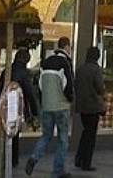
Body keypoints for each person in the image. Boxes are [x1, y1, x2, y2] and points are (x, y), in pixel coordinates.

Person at [25, 37, 75, 178]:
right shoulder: (65, 62)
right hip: (61, 105)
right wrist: (70, 99)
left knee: (46, 135)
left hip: (46, 106)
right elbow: (68, 84)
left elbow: (40, 86)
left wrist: (42, 102)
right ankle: (57, 171)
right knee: (62, 138)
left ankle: (34, 157)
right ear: (66, 47)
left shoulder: (45, 63)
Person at [0, 47, 39, 167]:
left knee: (6, 130)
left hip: (5, 105)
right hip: (17, 106)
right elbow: (29, 92)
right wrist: (35, 110)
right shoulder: (24, 73)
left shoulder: (6, 70)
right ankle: (13, 159)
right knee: (15, 132)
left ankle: (6, 158)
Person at [73, 45, 105, 171]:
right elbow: (99, 87)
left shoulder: (81, 68)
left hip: (82, 106)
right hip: (93, 106)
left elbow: (76, 85)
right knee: (90, 135)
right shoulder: (95, 69)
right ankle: (86, 162)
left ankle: (79, 158)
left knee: (85, 132)